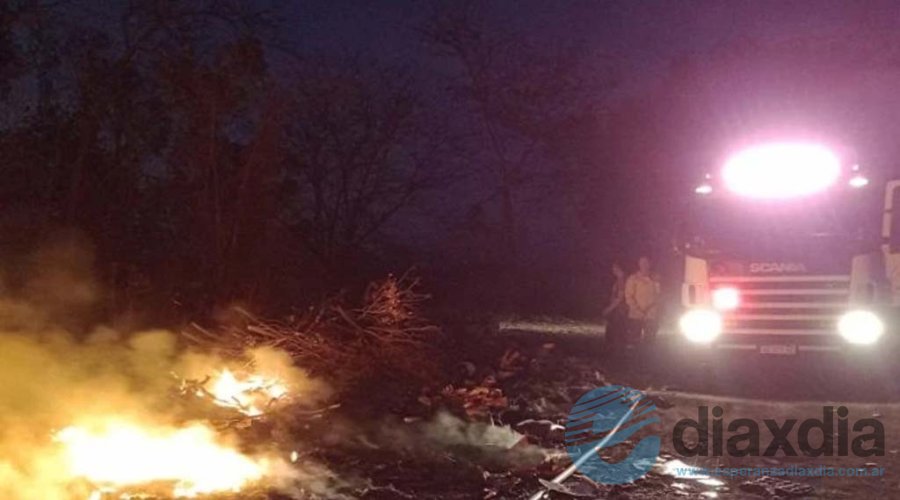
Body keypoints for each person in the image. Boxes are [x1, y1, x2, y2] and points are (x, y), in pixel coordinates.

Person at [625, 256, 661, 343]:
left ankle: (648, 355)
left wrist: (651, 309)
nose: (644, 265)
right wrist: (637, 310)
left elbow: (659, 295)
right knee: (634, 338)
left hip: (651, 314)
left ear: (650, 264)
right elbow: (629, 296)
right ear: (639, 264)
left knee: (650, 339)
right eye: (642, 263)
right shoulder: (633, 278)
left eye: (646, 263)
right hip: (636, 314)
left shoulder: (655, 278)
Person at [602, 262, 628, 350]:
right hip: (618, 311)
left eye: (614, 267)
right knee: (616, 334)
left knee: (616, 334)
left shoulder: (622, 280)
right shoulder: (619, 280)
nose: (613, 270)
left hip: (619, 311)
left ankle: (616, 355)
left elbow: (620, 298)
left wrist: (609, 309)